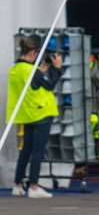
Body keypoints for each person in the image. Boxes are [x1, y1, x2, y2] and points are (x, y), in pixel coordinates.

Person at [7, 36, 62, 199]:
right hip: (41, 113)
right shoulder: (30, 71)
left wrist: (41, 71)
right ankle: (33, 186)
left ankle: (18, 184)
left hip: (27, 114)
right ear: (33, 52)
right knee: (38, 151)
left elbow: (33, 85)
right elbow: (49, 85)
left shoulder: (16, 69)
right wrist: (57, 68)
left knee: (26, 150)